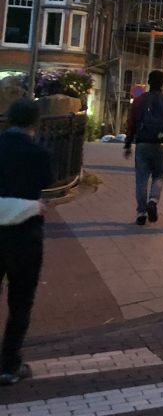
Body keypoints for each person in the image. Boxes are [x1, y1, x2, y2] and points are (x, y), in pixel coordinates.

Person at [0, 98, 53, 386]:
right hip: (25, 234)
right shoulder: (39, 153)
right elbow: (46, 182)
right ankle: (9, 365)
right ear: (35, 123)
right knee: (21, 301)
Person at [124, 70, 163, 226]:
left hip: (143, 143)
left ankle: (141, 213)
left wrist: (128, 144)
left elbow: (131, 123)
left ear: (148, 82)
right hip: (161, 144)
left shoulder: (139, 100)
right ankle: (153, 201)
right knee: (158, 176)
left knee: (141, 179)